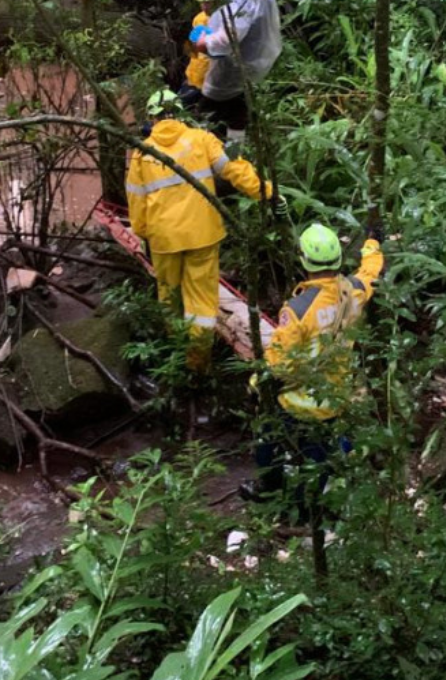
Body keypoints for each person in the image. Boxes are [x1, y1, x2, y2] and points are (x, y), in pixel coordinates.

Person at [126, 88, 287, 373]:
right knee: (201, 303)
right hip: (203, 235)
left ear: (152, 117)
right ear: (180, 112)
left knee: (170, 297)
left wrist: (144, 235)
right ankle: (198, 363)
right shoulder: (201, 140)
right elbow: (236, 170)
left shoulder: (142, 153)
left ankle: (176, 355)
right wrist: (267, 193)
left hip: (164, 240)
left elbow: (136, 204)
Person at [242, 223, 385, 522]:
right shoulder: (354, 293)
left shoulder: (298, 309)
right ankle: (320, 502)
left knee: (268, 439)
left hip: (297, 402)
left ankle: (272, 494)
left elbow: (280, 363)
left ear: (303, 261)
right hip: (334, 396)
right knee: (321, 455)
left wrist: (256, 384)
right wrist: (372, 242)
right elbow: (370, 271)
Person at [190, 0, 282, 135]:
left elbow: (228, 39)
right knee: (237, 113)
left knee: (205, 117)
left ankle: (206, 157)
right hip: (251, 64)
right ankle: (235, 155)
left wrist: (203, 44)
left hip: (234, 66)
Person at [180, 0, 221, 105]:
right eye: (202, 2)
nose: (204, 6)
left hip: (211, 78)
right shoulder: (199, 19)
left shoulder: (226, 20)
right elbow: (192, 48)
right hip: (194, 74)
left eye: (207, 2)